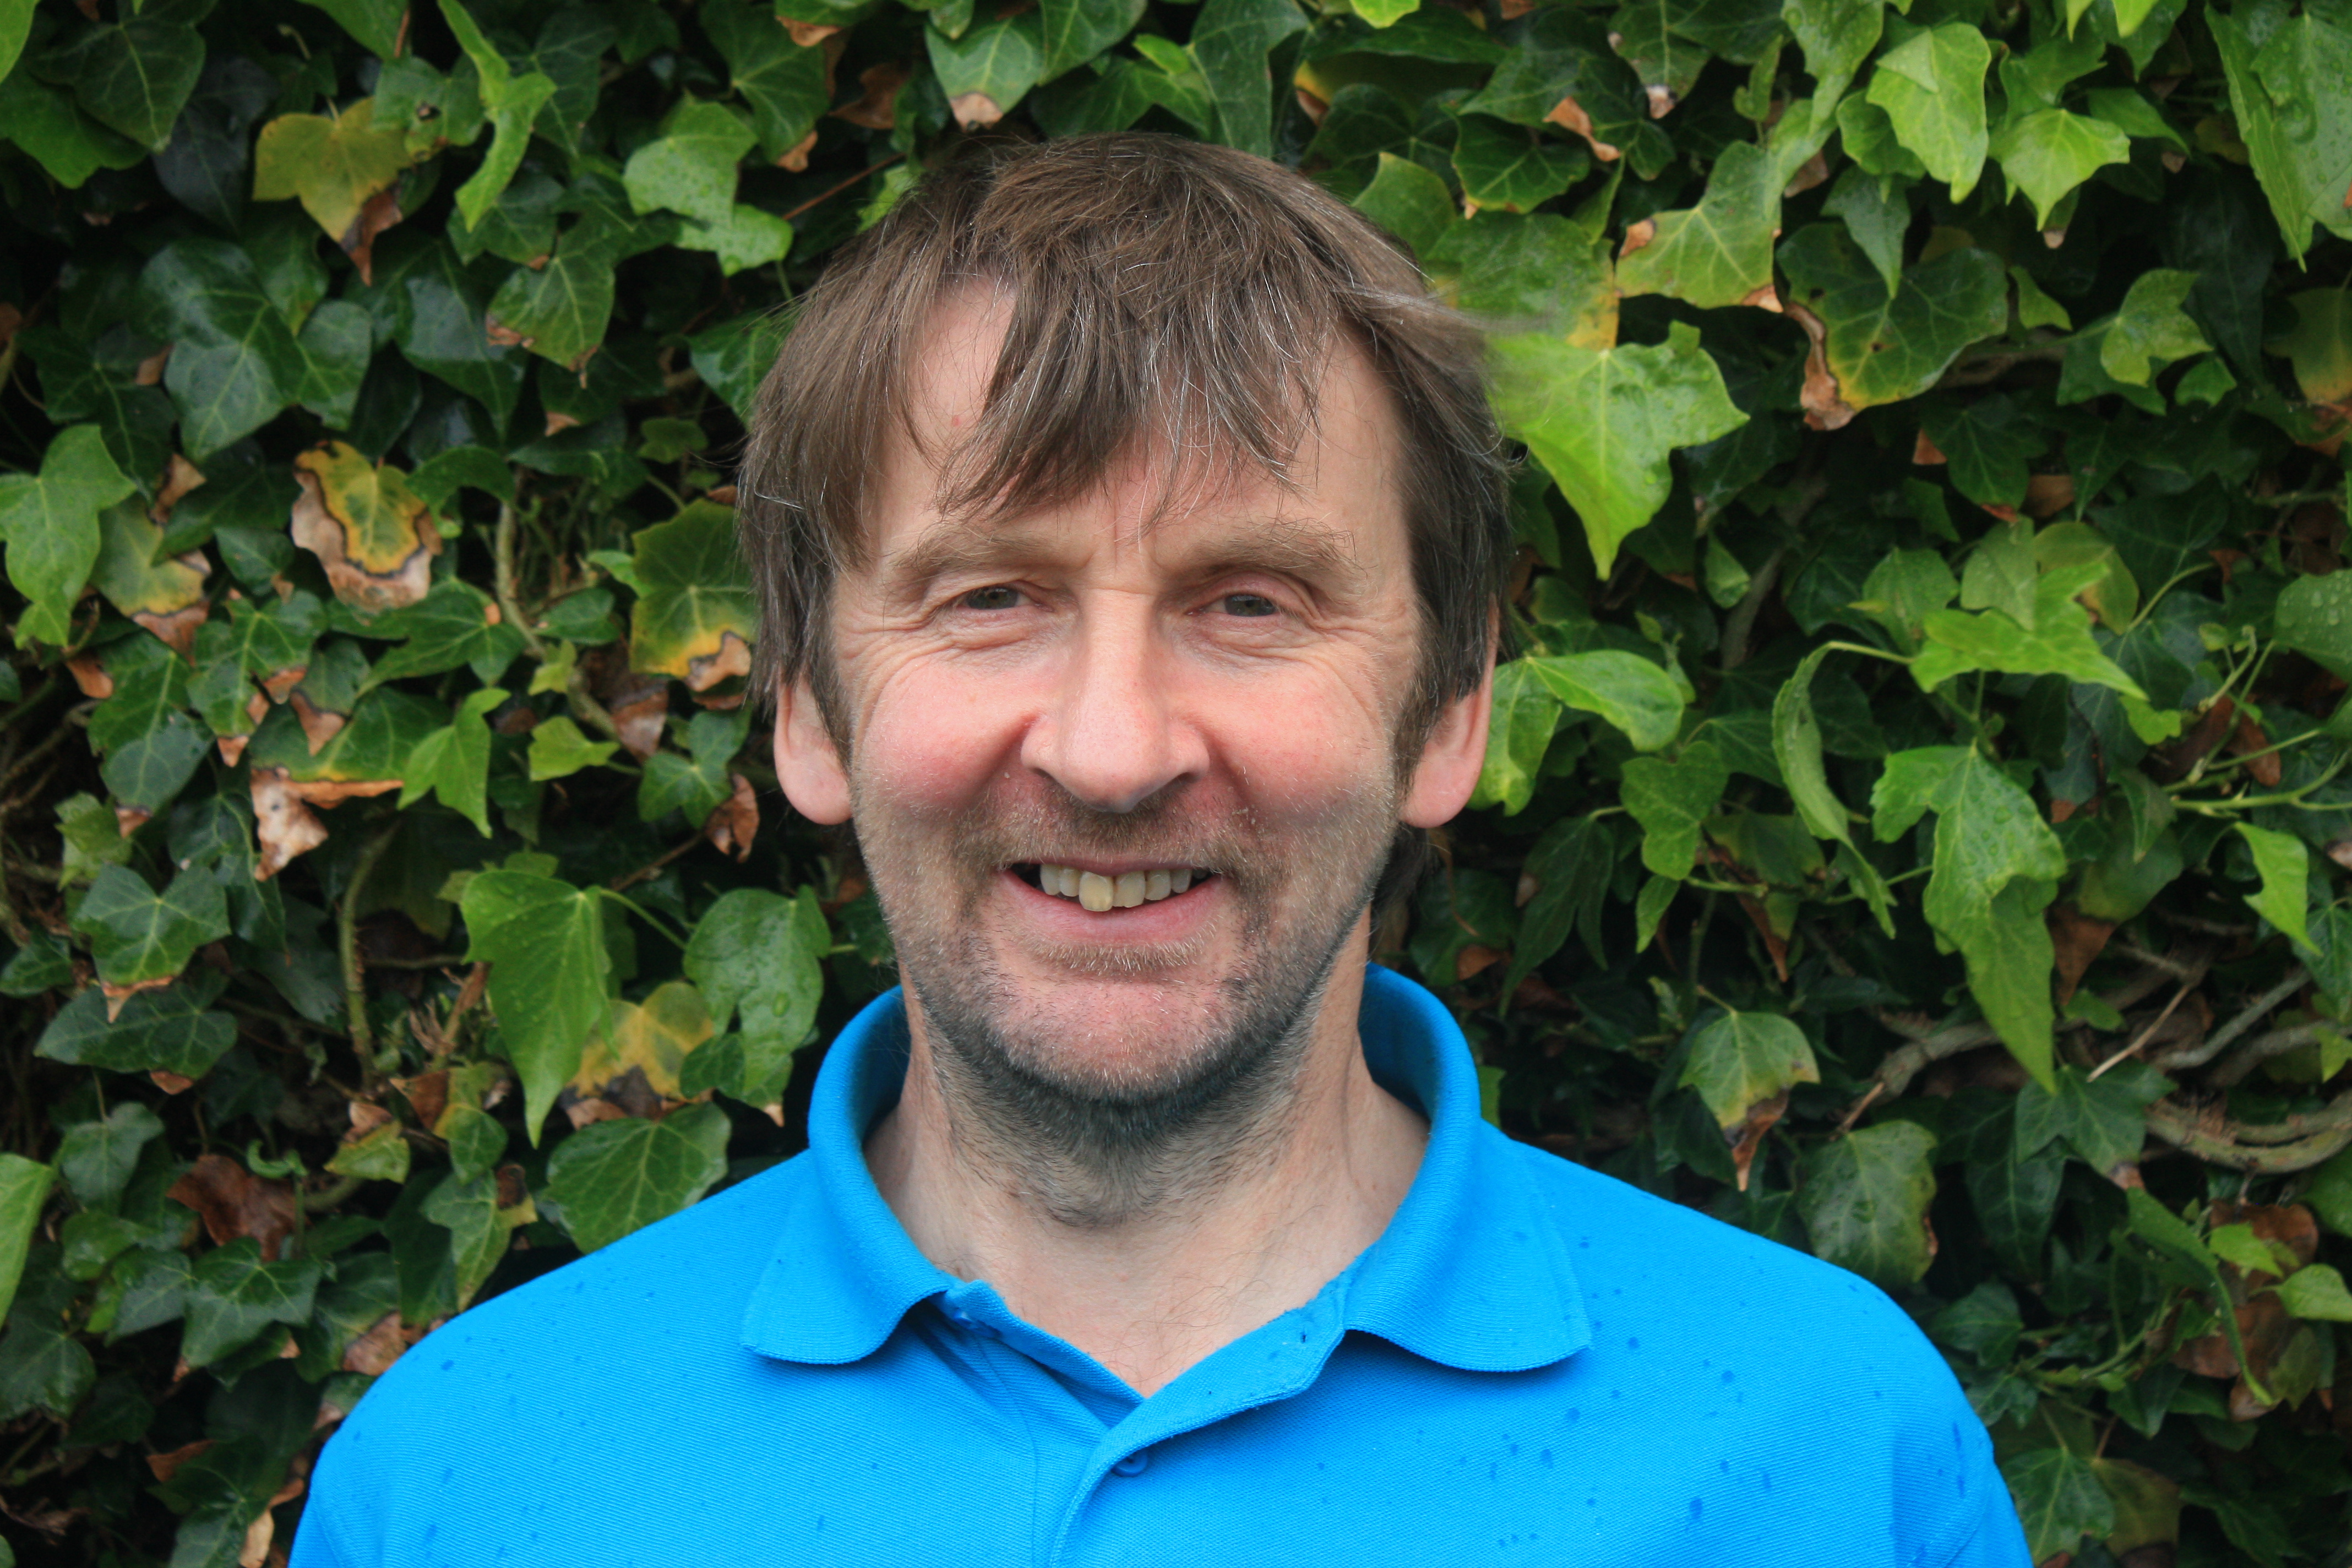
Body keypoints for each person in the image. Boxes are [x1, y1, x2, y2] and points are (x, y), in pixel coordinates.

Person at [291, 133, 2030, 1567]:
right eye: (993, 598)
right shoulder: (464, 1483)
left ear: (1450, 709)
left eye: (1248, 602)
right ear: (807, 703)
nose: (1111, 750)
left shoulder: (1827, 1451)